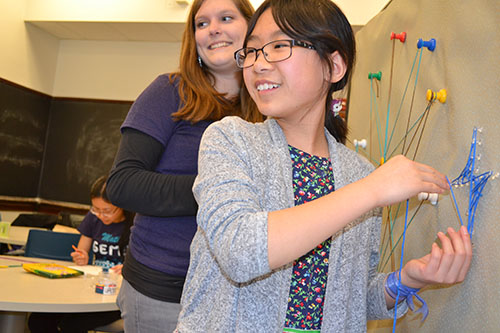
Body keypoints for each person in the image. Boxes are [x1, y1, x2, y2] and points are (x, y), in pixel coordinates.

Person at [175, 0, 473, 331]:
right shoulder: (230, 140)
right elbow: (240, 251)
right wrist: (372, 190)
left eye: (277, 46)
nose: (258, 64)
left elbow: (351, 300)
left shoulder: (358, 175)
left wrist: (408, 279)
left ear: (334, 65)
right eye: (253, 51)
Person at [105, 0, 263, 331]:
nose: (213, 28)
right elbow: (122, 184)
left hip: (240, 293)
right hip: (162, 291)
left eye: (226, 18)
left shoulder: (269, 107)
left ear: (252, 29)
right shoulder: (169, 91)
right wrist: (218, 190)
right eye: (201, 23)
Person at [28, 176, 134, 333]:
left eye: (107, 211)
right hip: (91, 289)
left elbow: (143, 265)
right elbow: (82, 251)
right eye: (95, 209)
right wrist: (81, 256)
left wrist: (128, 268)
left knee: (71, 325)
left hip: (116, 297)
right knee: (38, 320)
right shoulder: (93, 218)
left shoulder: (136, 225)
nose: (100, 215)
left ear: (122, 205)